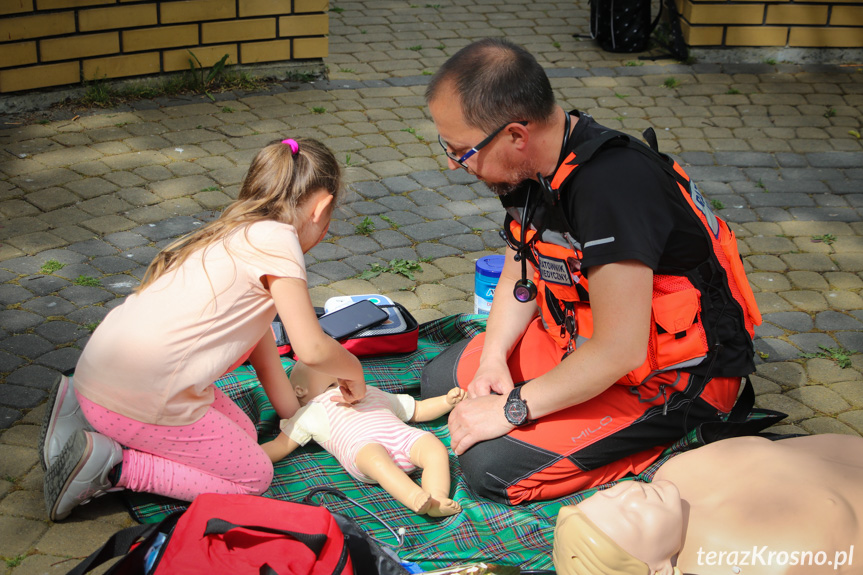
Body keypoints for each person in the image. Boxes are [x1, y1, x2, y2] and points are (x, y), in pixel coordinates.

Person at [421, 38, 763, 505]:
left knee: (491, 469)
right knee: (442, 380)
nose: (453, 163)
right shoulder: (531, 170)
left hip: (671, 379)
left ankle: (674, 439)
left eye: (461, 151)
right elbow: (515, 281)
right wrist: (493, 359)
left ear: (516, 136)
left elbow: (619, 349)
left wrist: (514, 407)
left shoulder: (612, 190)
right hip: (580, 346)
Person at [40, 138, 366, 521]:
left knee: (245, 434)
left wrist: (293, 414)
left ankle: (81, 413)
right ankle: (113, 468)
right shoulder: (281, 243)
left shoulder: (237, 230)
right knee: (253, 477)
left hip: (99, 373)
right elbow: (311, 348)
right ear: (321, 207)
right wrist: (353, 372)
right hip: (145, 393)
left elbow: (264, 356)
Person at [552, 433, 863, 575]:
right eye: (633, 517)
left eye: (612, 494)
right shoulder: (745, 563)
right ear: (658, 571)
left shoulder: (674, 472)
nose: (633, 493)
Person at [263, 361, 466, 517]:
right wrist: (248, 456)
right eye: (335, 380)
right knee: (375, 459)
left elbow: (417, 410)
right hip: (363, 450)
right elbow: (280, 445)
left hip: (402, 437)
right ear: (301, 391)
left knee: (434, 447)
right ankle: (414, 496)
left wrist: (446, 402)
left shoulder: (370, 392)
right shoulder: (312, 410)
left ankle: (437, 497)